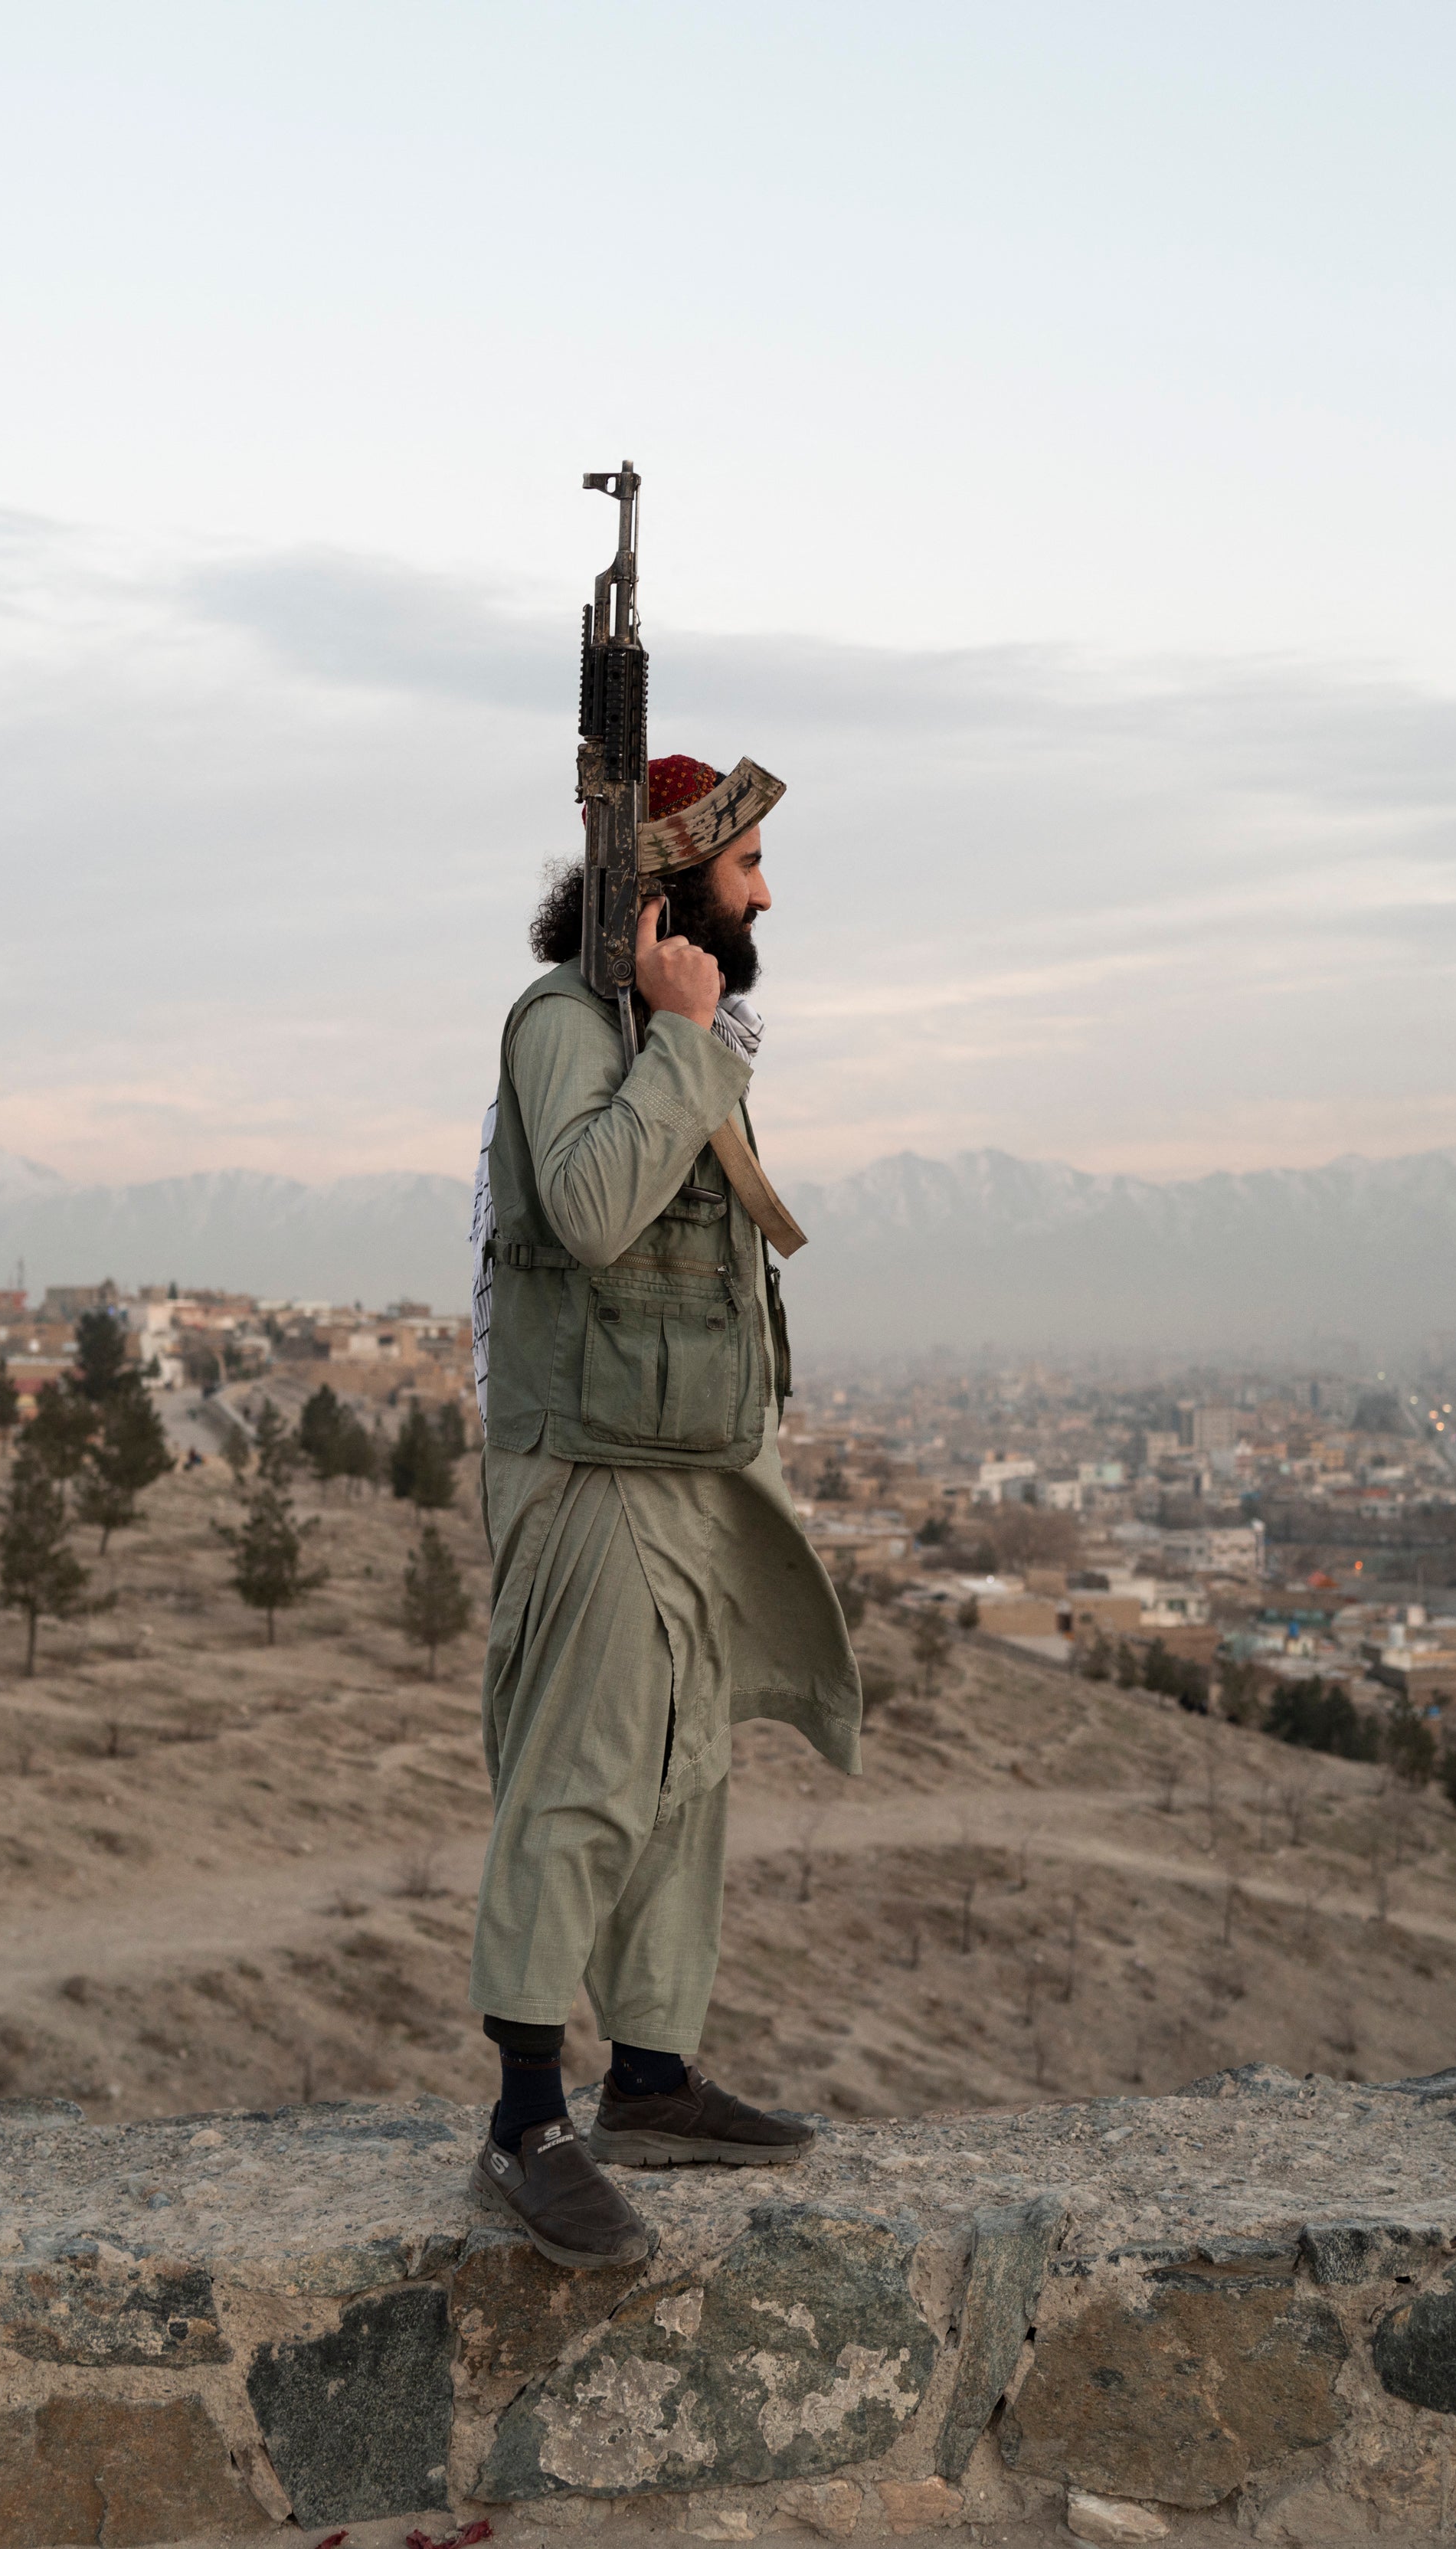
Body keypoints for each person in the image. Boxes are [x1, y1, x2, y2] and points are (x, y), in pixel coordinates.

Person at [463, 752, 863, 2269]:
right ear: (674, 883)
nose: (765, 892)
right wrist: (684, 1043)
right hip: (591, 1462)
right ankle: (521, 2115)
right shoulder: (566, 1024)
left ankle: (645, 2069)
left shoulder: (668, 1032)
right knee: (582, 1775)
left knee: (686, 1770)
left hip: (681, 1460)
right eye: (746, 862)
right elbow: (585, 1204)